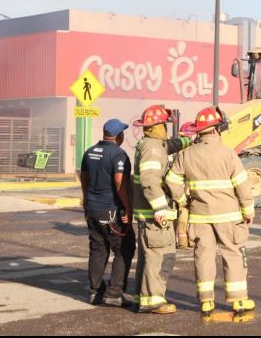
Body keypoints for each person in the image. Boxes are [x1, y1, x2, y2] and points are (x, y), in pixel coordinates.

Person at [164, 106, 255, 319]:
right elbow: (242, 185)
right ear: (215, 130)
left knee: (203, 256)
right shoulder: (228, 154)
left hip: (199, 216)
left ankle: (206, 301)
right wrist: (248, 210)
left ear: (199, 131)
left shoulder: (186, 154)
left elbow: (171, 180)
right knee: (233, 254)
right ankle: (238, 301)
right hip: (230, 217)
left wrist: (184, 200)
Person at [131, 104, 192, 314]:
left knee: (149, 256)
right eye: (164, 125)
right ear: (157, 126)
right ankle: (154, 301)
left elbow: (170, 145)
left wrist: (188, 140)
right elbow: (149, 181)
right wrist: (161, 209)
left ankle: (142, 296)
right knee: (161, 255)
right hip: (154, 215)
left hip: (146, 213)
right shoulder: (153, 148)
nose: (165, 128)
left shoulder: (151, 143)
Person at [79, 118, 135, 307]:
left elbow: (84, 177)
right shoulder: (119, 155)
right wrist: (128, 207)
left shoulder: (89, 152)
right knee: (124, 248)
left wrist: (87, 198)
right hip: (111, 211)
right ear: (119, 135)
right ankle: (114, 293)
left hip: (92, 209)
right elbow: (120, 182)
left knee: (98, 249)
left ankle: (95, 292)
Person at [175, 122, 198, 249]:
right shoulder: (192, 151)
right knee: (190, 214)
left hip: (180, 188)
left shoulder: (179, 151)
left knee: (182, 213)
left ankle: (182, 241)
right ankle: (190, 240)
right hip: (190, 187)